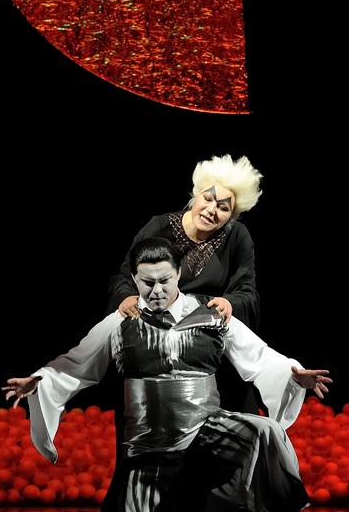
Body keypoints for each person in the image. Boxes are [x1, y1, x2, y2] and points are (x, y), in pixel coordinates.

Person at [3, 236, 333, 512]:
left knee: (266, 431)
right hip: (148, 448)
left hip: (206, 433)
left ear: (178, 274)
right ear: (135, 280)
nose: (157, 290)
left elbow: (259, 356)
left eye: (164, 280)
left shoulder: (211, 314)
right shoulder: (121, 321)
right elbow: (77, 362)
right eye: (147, 283)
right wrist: (41, 380)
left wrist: (294, 373)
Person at [106, 153, 264, 413]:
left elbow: (246, 290)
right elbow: (125, 277)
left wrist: (229, 302)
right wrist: (126, 297)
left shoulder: (237, 237)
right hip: (158, 335)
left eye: (223, 207)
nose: (211, 210)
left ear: (232, 215)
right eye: (208, 199)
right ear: (196, 195)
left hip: (209, 339)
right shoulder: (159, 227)